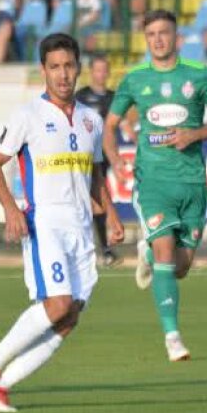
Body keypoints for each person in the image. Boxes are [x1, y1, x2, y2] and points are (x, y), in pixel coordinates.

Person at [0, 33, 123, 413]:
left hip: (83, 228)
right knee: (57, 304)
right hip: (46, 223)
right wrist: (11, 209)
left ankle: (3, 387)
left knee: (70, 318)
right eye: (54, 67)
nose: (63, 74)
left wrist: (113, 216)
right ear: (43, 71)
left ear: (78, 68)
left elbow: (96, 174)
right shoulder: (27, 116)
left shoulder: (91, 120)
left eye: (69, 66)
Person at [103, 11, 207, 362]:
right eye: (151, 34)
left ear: (176, 36)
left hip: (192, 183)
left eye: (164, 33)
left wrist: (195, 133)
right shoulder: (135, 80)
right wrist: (114, 157)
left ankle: (146, 253)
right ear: (146, 39)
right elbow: (110, 124)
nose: (158, 39)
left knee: (180, 267)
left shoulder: (199, 75)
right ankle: (172, 337)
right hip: (153, 182)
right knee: (165, 254)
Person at [75, 53, 121, 267]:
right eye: (97, 69)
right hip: (81, 157)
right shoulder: (80, 97)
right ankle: (99, 248)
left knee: (98, 200)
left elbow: (124, 124)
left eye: (105, 70)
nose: (101, 74)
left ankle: (103, 248)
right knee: (88, 201)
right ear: (91, 72)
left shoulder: (114, 97)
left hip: (102, 157)